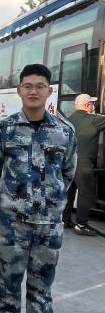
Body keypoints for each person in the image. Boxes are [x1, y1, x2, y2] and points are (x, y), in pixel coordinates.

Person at [0, 64, 76, 313]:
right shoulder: (5, 129)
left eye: (40, 86)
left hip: (48, 224)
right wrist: (11, 198)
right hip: (12, 222)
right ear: (19, 91)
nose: (33, 91)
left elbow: (68, 172)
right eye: (28, 86)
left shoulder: (64, 131)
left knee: (42, 283)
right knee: (8, 279)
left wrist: (50, 200)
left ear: (49, 91)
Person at [63, 93, 105, 236]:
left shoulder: (68, 120)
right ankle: (81, 225)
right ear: (88, 105)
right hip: (84, 163)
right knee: (85, 193)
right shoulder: (93, 119)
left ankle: (65, 220)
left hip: (68, 162)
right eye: (92, 103)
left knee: (69, 192)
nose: (93, 105)